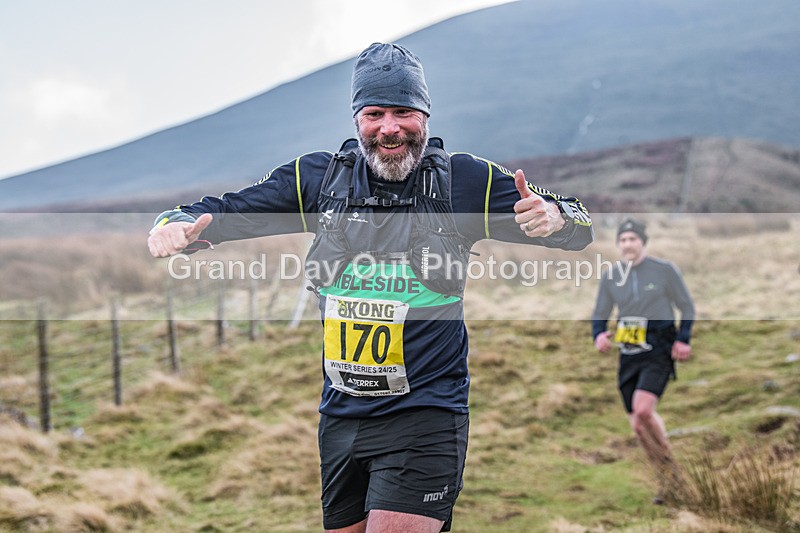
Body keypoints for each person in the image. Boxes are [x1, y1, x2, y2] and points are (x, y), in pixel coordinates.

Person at [149, 43, 593, 532]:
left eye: (404, 112)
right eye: (374, 113)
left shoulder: (464, 182)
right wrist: (178, 224)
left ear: (424, 116)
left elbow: (576, 220)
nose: (389, 127)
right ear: (357, 119)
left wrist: (555, 217)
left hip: (425, 413)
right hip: (341, 417)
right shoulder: (319, 180)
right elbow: (224, 211)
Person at [591, 218, 695, 505]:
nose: (627, 244)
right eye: (622, 240)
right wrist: (598, 335)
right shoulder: (612, 276)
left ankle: (673, 473)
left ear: (643, 242)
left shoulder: (664, 271)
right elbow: (600, 311)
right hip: (628, 352)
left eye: (632, 239)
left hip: (659, 348)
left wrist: (683, 338)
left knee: (644, 410)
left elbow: (686, 306)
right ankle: (666, 480)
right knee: (637, 425)